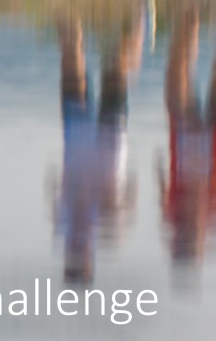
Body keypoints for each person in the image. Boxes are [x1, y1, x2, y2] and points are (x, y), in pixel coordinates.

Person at [53, 14, 143, 283]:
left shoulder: (67, 229)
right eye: (82, 260)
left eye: (74, 260)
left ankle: (69, 2)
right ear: (89, 260)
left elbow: (54, 189)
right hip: (105, 144)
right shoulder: (107, 231)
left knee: (75, 63)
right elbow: (130, 197)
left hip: (86, 143)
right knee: (115, 69)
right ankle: (137, 12)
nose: (79, 252)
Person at [158, 4, 216, 267]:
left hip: (184, 136)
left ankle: (190, 9)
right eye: (191, 239)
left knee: (177, 73)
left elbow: (163, 188)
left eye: (182, 238)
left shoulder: (172, 215)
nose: (188, 231)